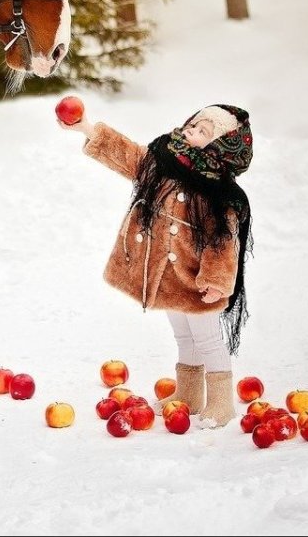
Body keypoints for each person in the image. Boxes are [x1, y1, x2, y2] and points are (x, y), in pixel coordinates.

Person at [60, 104, 254, 428]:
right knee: (183, 337)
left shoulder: (217, 194)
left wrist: (216, 280)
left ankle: (221, 402)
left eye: (203, 131)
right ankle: (189, 395)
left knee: (206, 339)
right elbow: (129, 156)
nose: (192, 131)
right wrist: (88, 129)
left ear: (219, 147)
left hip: (197, 282)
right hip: (166, 277)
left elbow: (222, 240)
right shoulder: (164, 161)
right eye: (194, 124)